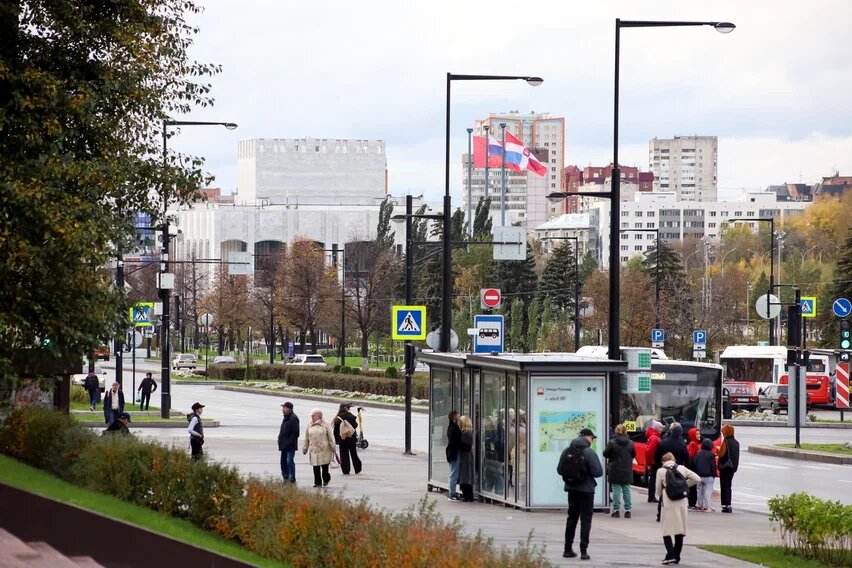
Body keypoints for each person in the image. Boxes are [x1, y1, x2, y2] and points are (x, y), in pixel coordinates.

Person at [557, 428, 603, 561]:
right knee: (586, 519)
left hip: (571, 489)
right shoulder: (589, 452)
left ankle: (567, 549)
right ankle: (584, 551)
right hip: (587, 490)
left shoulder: (567, 451)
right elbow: (598, 472)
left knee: (571, 518)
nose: (592, 440)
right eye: (592, 438)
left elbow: (560, 470)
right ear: (586, 437)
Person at [655, 451, 700, 565]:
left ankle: (670, 554)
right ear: (674, 460)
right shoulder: (682, 468)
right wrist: (684, 485)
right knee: (680, 529)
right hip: (682, 501)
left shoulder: (661, 471)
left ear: (663, 461)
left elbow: (658, 490)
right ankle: (677, 556)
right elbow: (697, 478)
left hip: (669, 501)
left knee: (667, 530)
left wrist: (664, 492)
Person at [603, 423, 635, 518]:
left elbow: (605, 454)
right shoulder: (631, 443)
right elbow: (634, 454)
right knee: (626, 489)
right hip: (627, 469)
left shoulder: (612, 442)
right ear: (625, 431)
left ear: (616, 431)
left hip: (615, 468)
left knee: (616, 489)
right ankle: (628, 510)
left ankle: (616, 510)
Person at [302, 408, 337, 488]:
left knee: (324, 467)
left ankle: (326, 479)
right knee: (315, 467)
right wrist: (305, 448)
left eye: (313, 416)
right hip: (314, 449)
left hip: (324, 449)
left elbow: (331, 437)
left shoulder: (325, 424)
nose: (312, 417)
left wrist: (333, 447)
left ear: (318, 416)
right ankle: (317, 483)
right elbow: (306, 438)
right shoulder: (310, 425)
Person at [332, 403, 362, 475]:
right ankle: (357, 468)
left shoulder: (338, 418)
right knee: (353, 453)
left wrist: (337, 440)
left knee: (344, 454)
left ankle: (346, 470)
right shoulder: (351, 416)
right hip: (351, 437)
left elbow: (335, 431)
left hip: (342, 438)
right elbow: (355, 425)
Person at [716, 424, 740, 513]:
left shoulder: (726, 441)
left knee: (724, 485)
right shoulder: (736, 442)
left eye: (723, 432)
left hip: (725, 466)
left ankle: (725, 505)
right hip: (732, 467)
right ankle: (729, 504)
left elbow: (721, 454)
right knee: (729, 485)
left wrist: (717, 450)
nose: (722, 434)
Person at [278, 401, 300, 483]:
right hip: (283, 444)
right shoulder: (285, 417)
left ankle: (292, 476)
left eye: (284, 408)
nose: (282, 409)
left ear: (289, 409)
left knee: (289, 461)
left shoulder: (294, 418)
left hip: (290, 445)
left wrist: (289, 442)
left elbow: (296, 433)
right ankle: (285, 475)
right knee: (283, 461)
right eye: (283, 408)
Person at [694, 438, 717, 512]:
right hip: (708, 476)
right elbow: (713, 466)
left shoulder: (698, 453)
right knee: (708, 490)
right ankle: (706, 506)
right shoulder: (711, 454)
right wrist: (714, 474)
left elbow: (695, 463)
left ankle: (699, 505)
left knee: (699, 490)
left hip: (699, 475)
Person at [457, 415, 475, 502]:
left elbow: (465, 446)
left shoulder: (465, 433)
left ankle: (467, 496)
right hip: (466, 455)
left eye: (460, 421)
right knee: (466, 475)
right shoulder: (468, 432)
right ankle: (467, 495)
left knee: (465, 475)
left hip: (465, 456)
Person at [645, 421, 663, 503]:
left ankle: (651, 496)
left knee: (653, 478)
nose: (661, 429)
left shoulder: (653, 437)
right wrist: (651, 461)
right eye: (660, 427)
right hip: (655, 461)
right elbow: (650, 451)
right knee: (653, 479)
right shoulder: (655, 438)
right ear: (655, 428)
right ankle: (652, 496)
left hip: (653, 461)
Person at [445, 410, 462, 500]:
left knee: (453, 473)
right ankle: (452, 494)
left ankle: (452, 492)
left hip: (452, 452)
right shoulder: (454, 428)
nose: (459, 417)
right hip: (454, 453)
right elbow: (455, 441)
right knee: (454, 474)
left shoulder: (452, 427)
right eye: (457, 416)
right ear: (454, 417)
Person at [686, 427, 702, 509]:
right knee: (693, 487)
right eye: (697, 434)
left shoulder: (692, 443)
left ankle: (691, 503)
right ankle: (692, 503)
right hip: (694, 469)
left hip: (692, 468)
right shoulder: (693, 444)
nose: (699, 435)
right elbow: (692, 456)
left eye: (699, 434)